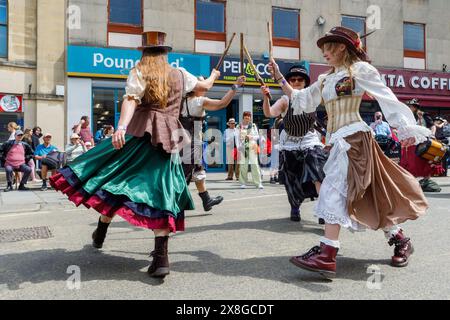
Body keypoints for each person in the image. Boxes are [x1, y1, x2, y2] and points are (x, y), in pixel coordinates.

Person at [50, 31, 220, 278]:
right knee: (162, 191)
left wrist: (121, 127)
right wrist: (214, 75)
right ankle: (161, 258)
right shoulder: (181, 74)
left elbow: (130, 99)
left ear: (143, 52)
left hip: (139, 134)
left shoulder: (139, 70)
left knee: (115, 182)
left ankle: (100, 233)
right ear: (165, 53)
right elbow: (204, 87)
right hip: (169, 138)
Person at [269, 26, 430, 276]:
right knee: (370, 196)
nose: (324, 53)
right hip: (339, 142)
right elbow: (300, 98)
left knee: (332, 190)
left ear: (342, 47)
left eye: (328, 48)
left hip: (355, 139)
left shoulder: (360, 70)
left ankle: (327, 253)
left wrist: (406, 128)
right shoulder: (326, 78)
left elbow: (385, 96)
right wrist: (279, 76)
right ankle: (400, 241)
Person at [261, 65, 328, 223]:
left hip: (309, 139)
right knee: (291, 178)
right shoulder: (285, 100)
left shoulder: (312, 96)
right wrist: (265, 98)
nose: (296, 81)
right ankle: (295, 207)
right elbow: (269, 113)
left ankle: (323, 210)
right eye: (292, 79)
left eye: (300, 79)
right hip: (290, 141)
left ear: (305, 82)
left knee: (318, 173)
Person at [180, 75, 245, 211]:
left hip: (180, 142)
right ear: (196, 87)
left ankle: (206, 199)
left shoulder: (181, 101)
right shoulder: (199, 101)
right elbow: (222, 103)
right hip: (192, 145)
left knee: (198, 171)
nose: (205, 87)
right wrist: (235, 86)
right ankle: (172, 207)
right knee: (184, 176)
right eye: (202, 83)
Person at [400, 99, 442, 191]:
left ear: (415, 107)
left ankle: (427, 180)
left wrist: (432, 135)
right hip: (412, 142)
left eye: (410, 106)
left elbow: (432, 126)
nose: (409, 108)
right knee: (411, 161)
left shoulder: (424, 115)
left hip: (423, 141)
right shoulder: (407, 116)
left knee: (424, 161)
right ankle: (411, 180)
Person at [238, 111, 263, 189]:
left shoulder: (253, 126)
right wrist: (239, 146)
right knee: (243, 165)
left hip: (252, 146)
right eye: (245, 118)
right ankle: (243, 183)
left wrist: (251, 137)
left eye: (248, 118)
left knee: (255, 164)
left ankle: (258, 183)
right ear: (243, 118)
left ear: (250, 118)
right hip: (243, 147)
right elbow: (236, 137)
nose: (247, 119)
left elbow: (257, 136)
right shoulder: (239, 126)